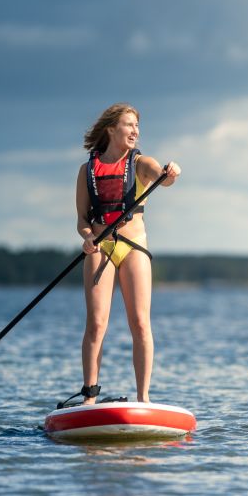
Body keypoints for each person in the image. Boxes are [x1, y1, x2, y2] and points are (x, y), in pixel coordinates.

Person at [68, 102, 180, 406]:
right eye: (129, 125)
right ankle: (89, 397)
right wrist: (88, 237)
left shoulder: (141, 162)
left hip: (133, 247)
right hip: (99, 248)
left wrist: (171, 172)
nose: (135, 131)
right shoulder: (87, 170)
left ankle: (143, 397)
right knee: (96, 324)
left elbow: (163, 177)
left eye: (137, 126)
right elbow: (81, 219)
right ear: (112, 129)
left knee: (141, 324)